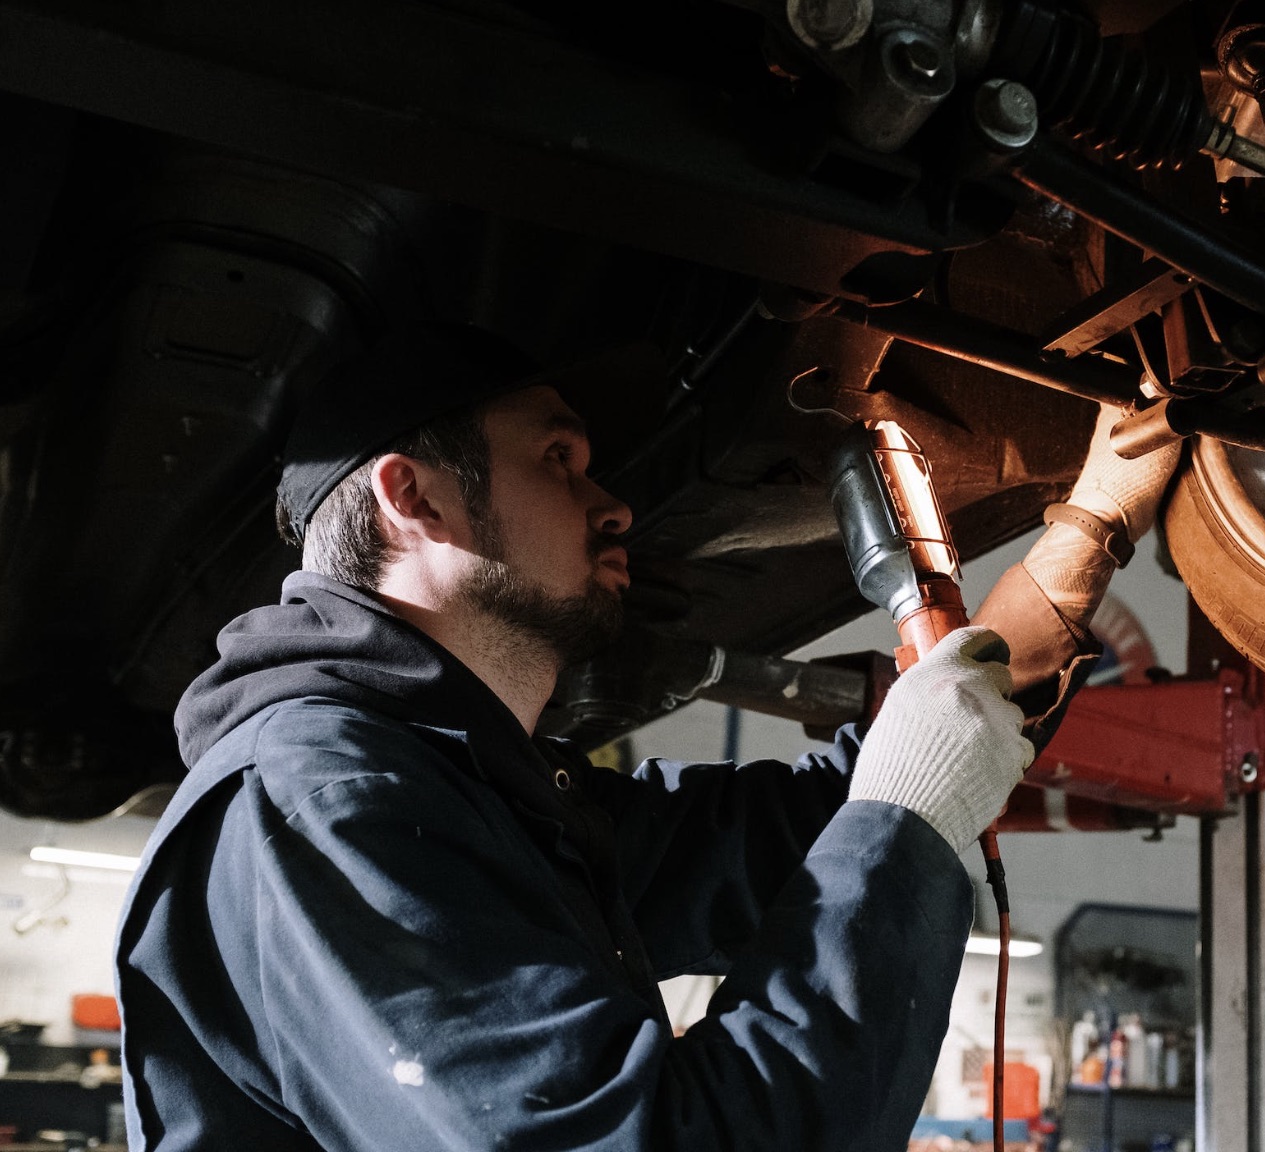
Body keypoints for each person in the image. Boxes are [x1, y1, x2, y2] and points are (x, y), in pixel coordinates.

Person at [115, 324, 1176, 1151]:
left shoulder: (476, 797)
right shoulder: (317, 801)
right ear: (413, 497)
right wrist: (903, 821)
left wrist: (1084, 540)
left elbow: (813, 831)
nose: (615, 503)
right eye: (559, 460)